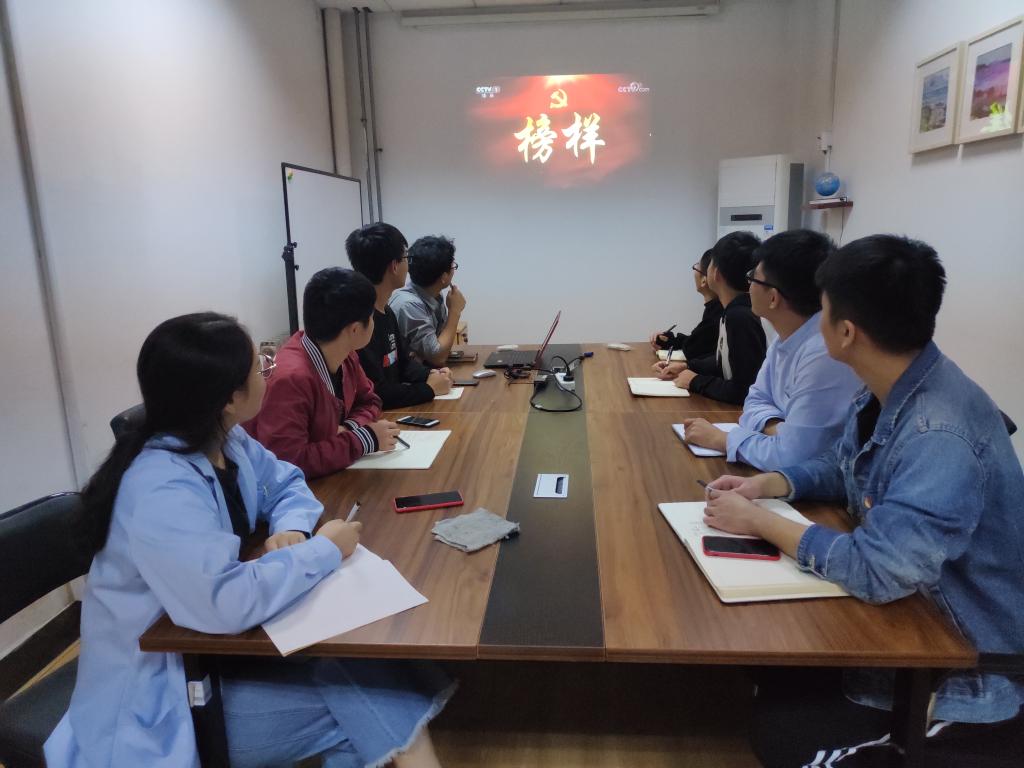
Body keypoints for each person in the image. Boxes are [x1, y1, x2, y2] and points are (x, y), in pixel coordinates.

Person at [44, 312, 453, 768]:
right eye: (260, 365)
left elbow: (286, 482)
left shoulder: (225, 439)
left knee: (365, 679)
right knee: (376, 696)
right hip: (163, 691)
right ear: (228, 398)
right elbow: (224, 602)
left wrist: (290, 529)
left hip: (213, 650)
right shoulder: (159, 489)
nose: (268, 372)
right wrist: (324, 549)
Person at [702, 236, 1024, 767]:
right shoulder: (896, 381)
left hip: (956, 660)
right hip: (904, 615)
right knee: (763, 667)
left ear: (845, 332)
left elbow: (878, 570)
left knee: (780, 735)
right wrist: (772, 484)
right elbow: (844, 466)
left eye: (823, 312)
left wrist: (758, 521)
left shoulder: (939, 432)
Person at [680, 230, 862, 469]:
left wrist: (723, 440)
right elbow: (754, 400)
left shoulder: (823, 353)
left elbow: (791, 456)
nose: (748, 286)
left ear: (773, 298)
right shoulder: (787, 335)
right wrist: (777, 427)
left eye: (753, 278)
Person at [246, 268, 400, 479]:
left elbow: (370, 401)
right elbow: (288, 460)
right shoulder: (291, 378)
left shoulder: (345, 354)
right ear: (355, 329)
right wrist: (364, 439)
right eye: (371, 317)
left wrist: (348, 428)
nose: (373, 323)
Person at [346, 223, 455, 409]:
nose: (409, 265)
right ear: (394, 266)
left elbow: (403, 364)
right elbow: (376, 391)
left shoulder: (386, 311)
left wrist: (430, 375)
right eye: (406, 258)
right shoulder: (359, 322)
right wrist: (428, 389)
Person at [654, 231, 766, 404]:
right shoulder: (733, 311)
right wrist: (688, 367)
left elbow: (743, 390)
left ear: (716, 273)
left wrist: (695, 381)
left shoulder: (739, 317)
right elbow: (725, 361)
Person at [389, 235, 466, 366]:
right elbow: (438, 357)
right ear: (443, 277)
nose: (454, 270)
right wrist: (455, 311)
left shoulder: (435, 294)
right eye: (453, 266)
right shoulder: (408, 305)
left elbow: (442, 343)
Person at [649, 248, 723, 360]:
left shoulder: (718, 314)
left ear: (704, 280)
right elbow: (697, 341)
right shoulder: (714, 309)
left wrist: (672, 341)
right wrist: (669, 340)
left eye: (696, 267)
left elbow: (693, 348)